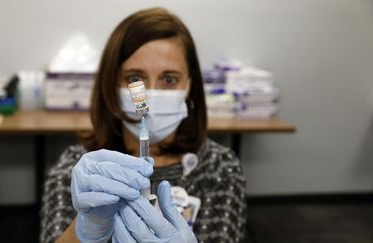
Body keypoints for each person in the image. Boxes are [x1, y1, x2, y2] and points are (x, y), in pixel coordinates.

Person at [40, 7, 247, 243]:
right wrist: (83, 232)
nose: (151, 93)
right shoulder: (82, 170)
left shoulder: (218, 167)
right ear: (110, 85)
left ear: (190, 86)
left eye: (169, 79)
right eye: (134, 79)